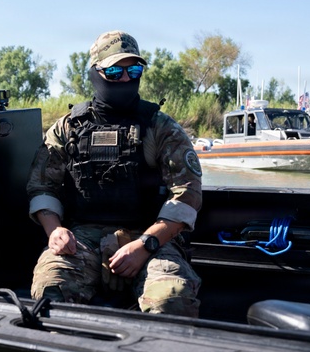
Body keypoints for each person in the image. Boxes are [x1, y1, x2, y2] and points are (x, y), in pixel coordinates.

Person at [26, 30, 203, 317]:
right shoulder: (68, 128)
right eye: (114, 71)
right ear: (95, 72)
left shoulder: (160, 128)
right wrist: (54, 230)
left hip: (151, 237)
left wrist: (145, 245)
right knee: (51, 292)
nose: (124, 79)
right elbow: (43, 187)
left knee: (172, 300)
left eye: (133, 71)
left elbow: (187, 194)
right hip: (82, 239)